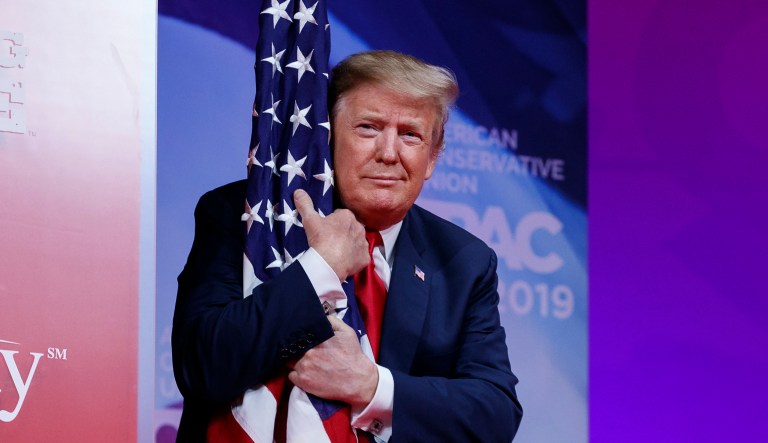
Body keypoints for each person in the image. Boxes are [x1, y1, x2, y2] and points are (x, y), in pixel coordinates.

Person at [172, 50, 522, 442]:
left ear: (433, 158)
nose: (389, 153)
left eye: (410, 134)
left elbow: (496, 414)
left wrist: (371, 388)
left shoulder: (464, 261)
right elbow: (200, 366)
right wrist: (320, 268)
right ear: (327, 139)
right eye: (369, 128)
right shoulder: (247, 218)